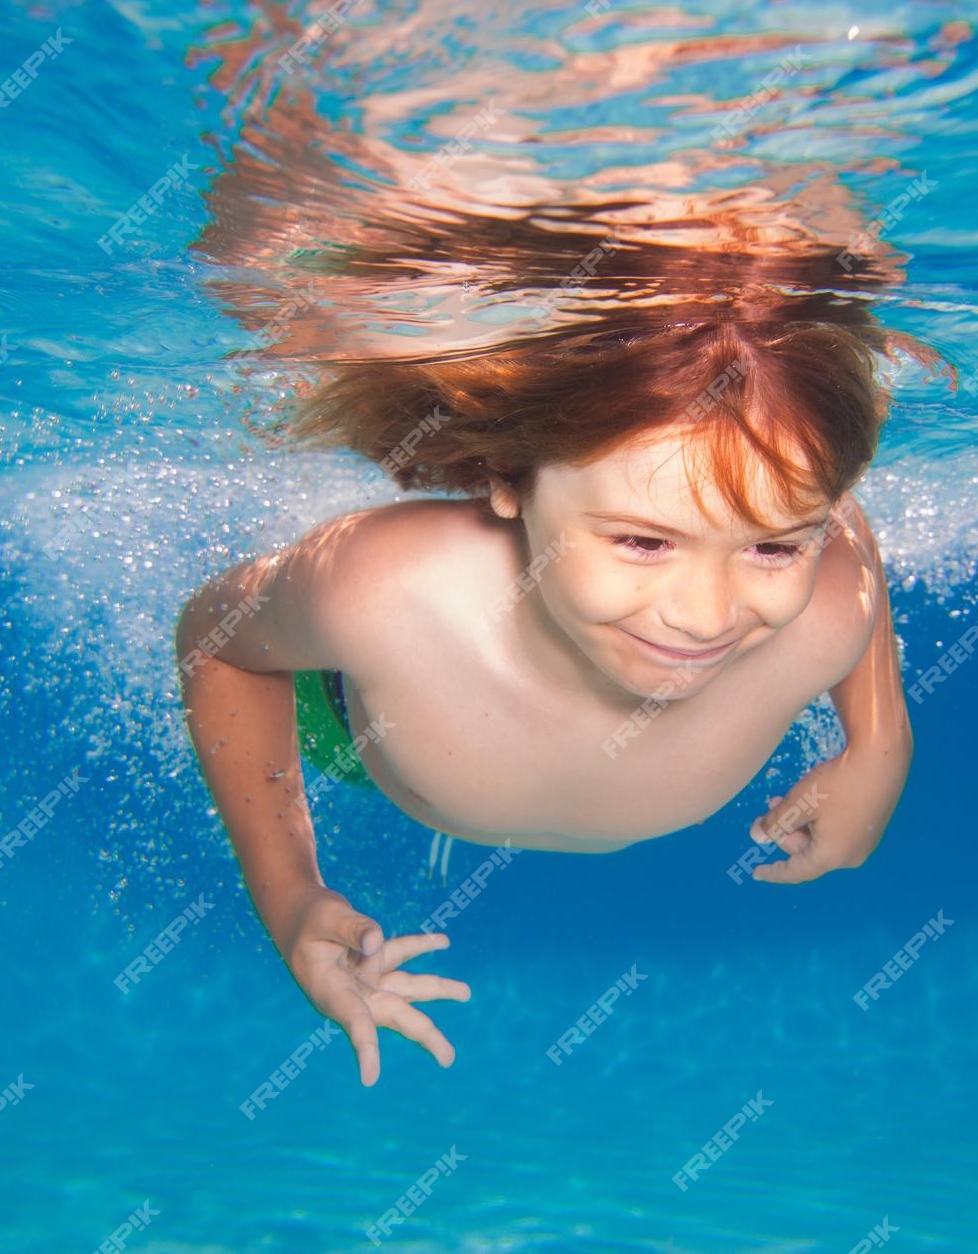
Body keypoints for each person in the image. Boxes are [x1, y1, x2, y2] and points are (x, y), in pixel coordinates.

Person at [175, 265, 917, 1087]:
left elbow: (842, 528)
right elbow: (218, 645)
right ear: (509, 475)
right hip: (354, 730)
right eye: (642, 541)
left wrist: (881, 740)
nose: (707, 617)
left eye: (773, 546)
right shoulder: (381, 594)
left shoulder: (827, 612)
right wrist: (289, 897)